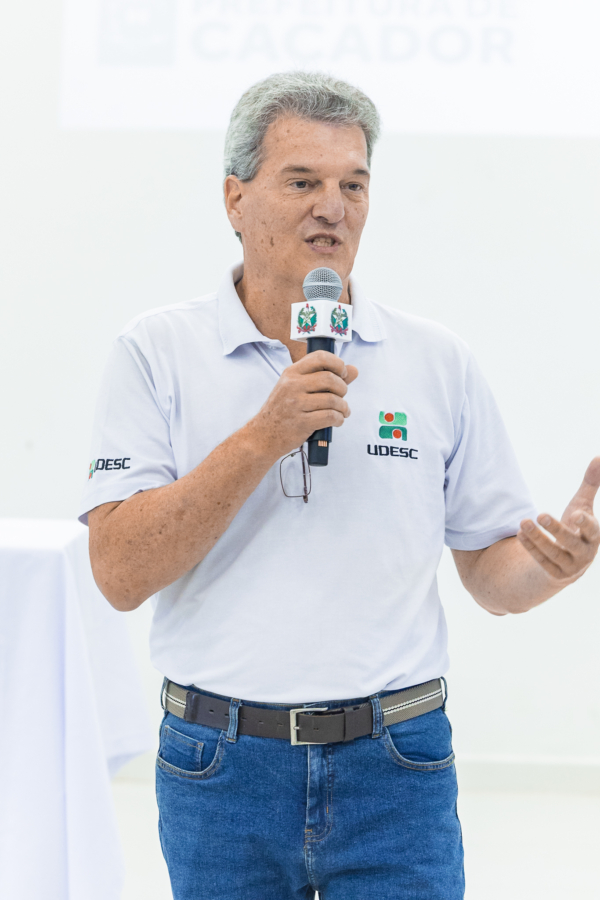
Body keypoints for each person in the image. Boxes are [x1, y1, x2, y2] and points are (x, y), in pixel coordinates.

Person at [80, 72, 599, 900]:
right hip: (220, 768)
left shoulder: (436, 360)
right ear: (234, 198)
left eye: (353, 185)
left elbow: (490, 573)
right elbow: (118, 572)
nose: (334, 208)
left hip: (395, 766)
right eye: (302, 183)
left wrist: (549, 567)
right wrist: (264, 436)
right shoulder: (155, 353)